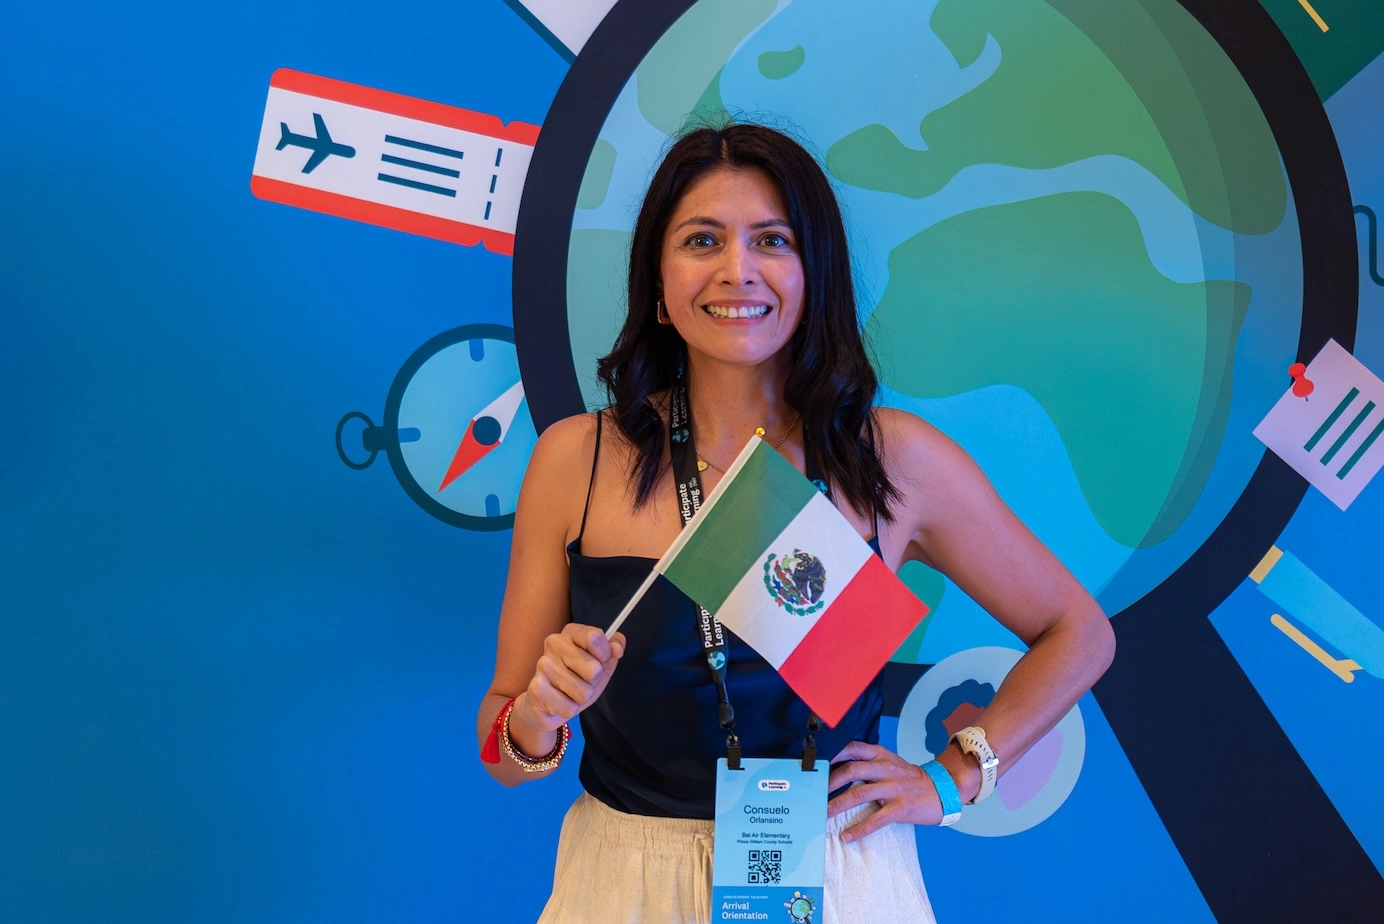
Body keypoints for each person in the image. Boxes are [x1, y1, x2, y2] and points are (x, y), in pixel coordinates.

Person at [477, 122, 1115, 923]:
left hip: (838, 881)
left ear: (815, 271)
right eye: (701, 240)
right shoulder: (578, 459)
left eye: (771, 241)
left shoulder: (892, 459)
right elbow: (503, 750)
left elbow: (1078, 633)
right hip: (623, 885)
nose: (735, 270)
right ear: (660, 278)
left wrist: (954, 778)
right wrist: (536, 715)